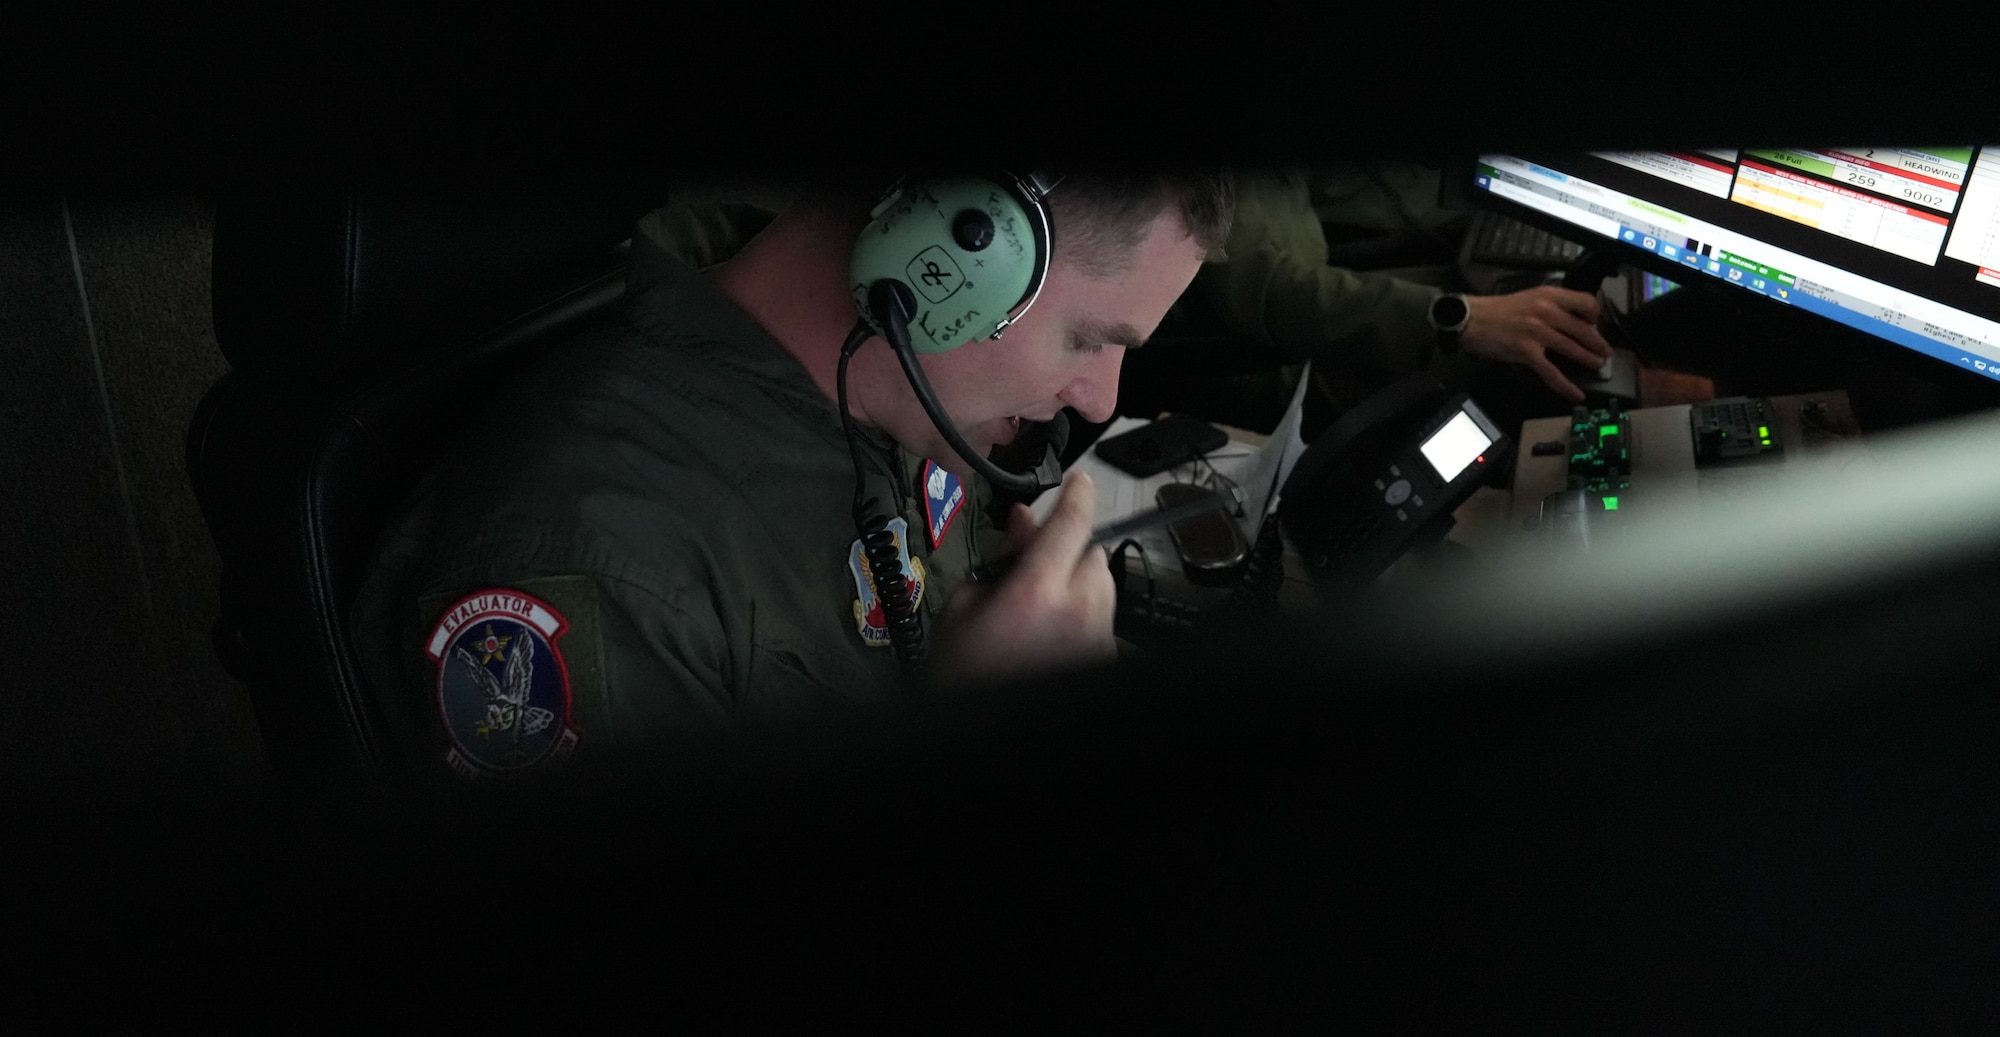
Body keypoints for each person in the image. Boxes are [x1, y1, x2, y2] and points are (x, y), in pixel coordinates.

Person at [348, 169, 1233, 780]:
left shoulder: (894, 407)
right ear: (947, 260)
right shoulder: (601, 564)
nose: (1100, 399)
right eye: (1090, 338)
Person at [1137, 168, 1613, 435]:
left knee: (1547, 309)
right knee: (1527, 365)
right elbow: (1282, 295)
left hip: (1319, 309)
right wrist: (1459, 319)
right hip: (1263, 360)